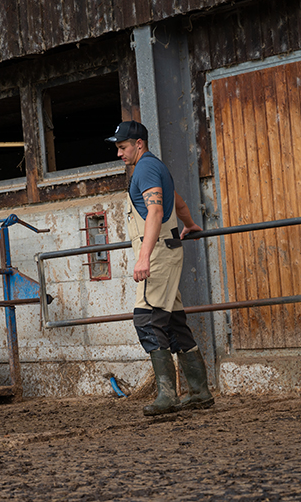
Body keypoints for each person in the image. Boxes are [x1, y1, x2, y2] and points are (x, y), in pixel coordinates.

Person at [105, 120, 214, 416]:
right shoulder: (154, 168)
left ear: (139, 144)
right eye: (118, 148)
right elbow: (177, 202)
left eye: (123, 147)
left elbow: (155, 210)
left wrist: (144, 257)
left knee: (147, 320)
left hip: (157, 256)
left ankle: (167, 395)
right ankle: (200, 391)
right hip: (165, 251)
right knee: (174, 322)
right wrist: (189, 223)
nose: (119, 153)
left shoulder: (147, 168)